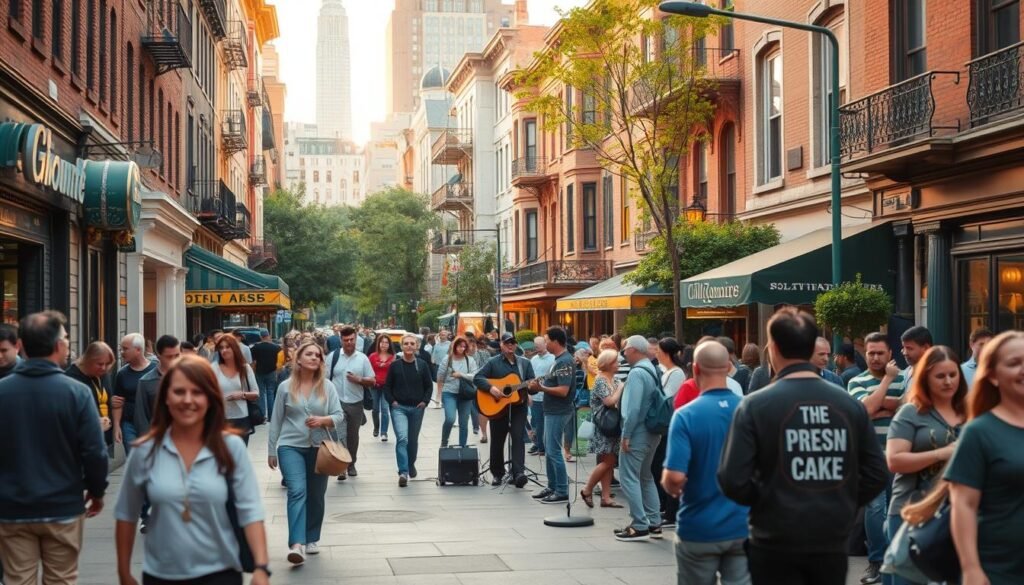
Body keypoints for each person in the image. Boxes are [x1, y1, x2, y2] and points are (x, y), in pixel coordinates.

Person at [718, 308, 887, 585]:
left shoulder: (754, 405)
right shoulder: (848, 405)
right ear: (811, 348)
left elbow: (732, 478)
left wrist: (768, 502)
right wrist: (843, 500)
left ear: (772, 348)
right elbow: (876, 473)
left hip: (773, 538)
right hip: (830, 537)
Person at [114, 356, 270, 585]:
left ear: (210, 398)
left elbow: (251, 510)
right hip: (162, 574)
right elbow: (126, 514)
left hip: (221, 572)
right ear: (166, 397)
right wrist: (124, 572)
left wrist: (261, 568)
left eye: (197, 392)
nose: (188, 400)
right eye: (179, 392)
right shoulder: (144, 452)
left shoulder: (230, 447)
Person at [0, 311, 107, 585]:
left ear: (21, 345)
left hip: (11, 507)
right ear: (59, 346)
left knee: (18, 579)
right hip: (62, 505)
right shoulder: (77, 393)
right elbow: (94, 451)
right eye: (67, 339)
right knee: (61, 579)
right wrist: (96, 491)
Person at [662, 341, 750, 585]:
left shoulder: (686, 415)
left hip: (699, 526)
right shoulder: (750, 411)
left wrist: (669, 484)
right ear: (729, 367)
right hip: (744, 525)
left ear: (695, 368)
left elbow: (675, 478)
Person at [944, 331, 1024, 585]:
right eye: (1014, 363)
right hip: (998, 569)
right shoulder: (979, 432)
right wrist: (971, 569)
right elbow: (963, 504)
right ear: (991, 375)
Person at [884, 346, 966, 585]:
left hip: (958, 512)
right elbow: (895, 460)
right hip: (910, 510)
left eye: (953, 374)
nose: (948, 381)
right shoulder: (910, 412)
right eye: (940, 376)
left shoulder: (970, 411)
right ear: (925, 378)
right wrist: (942, 453)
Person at [268, 341, 346, 565]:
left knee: (316, 495)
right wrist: (272, 449)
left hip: (319, 449)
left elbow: (339, 415)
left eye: (318, 355)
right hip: (290, 446)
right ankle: (296, 544)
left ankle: (312, 537)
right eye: (309, 354)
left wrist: (323, 420)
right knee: (297, 491)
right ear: (298, 359)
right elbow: (276, 420)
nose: (314, 358)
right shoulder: (285, 387)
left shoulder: (327, 386)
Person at [847, 332, 908, 584]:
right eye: (870, 352)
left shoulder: (906, 378)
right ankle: (877, 561)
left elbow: (910, 406)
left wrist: (878, 406)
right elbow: (865, 410)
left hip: (900, 454)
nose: (874, 357)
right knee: (874, 509)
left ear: (890, 354)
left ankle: (896, 560)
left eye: (880, 353)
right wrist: (887, 388)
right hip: (869, 457)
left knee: (900, 509)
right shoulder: (855, 380)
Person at [611, 335, 664, 541]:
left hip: (638, 432)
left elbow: (632, 409)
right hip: (652, 432)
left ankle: (639, 524)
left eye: (625, 349)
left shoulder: (637, 374)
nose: (623, 353)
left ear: (633, 349)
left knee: (628, 476)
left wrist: (626, 434)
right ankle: (654, 522)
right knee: (645, 476)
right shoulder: (653, 369)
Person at [474, 333, 535, 487]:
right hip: (497, 407)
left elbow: (532, 387)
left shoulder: (524, 364)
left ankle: (518, 472)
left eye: (513, 342)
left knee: (518, 436)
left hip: (518, 406)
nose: (510, 345)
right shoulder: (492, 362)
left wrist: (533, 387)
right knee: (497, 440)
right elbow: (477, 378)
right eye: (507, 342)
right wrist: (491, 388)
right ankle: (497, 473)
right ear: (501, 344)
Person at [528, 326, 576, 505]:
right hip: (552, 410)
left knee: (554, 450)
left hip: (559, 410)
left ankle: (562, 490)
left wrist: (542, 388)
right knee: (549, 449)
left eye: (547, 340)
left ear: (556, 341)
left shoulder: (564, 361)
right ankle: (552, 485)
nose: (545, 343)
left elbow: (563, 390)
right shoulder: (559, 360)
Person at [383, 334, 433, 487]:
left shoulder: (422, 365)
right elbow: (387, 386)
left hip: (417, 408)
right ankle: (403, 472)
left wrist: (425, 401)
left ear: (417, 346)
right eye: (406, 343)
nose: (409, 346)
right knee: (402, 438)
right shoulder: (395, 365)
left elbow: (429, 385)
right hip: (400, 408)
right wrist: (393, 402)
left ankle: (411, 464)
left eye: (412, 343)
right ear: (402, 346)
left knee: (413, 441)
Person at [326, 326, 374, 480]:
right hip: (337, 403)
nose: (349, 343)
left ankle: (351, 463)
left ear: (356, 339)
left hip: (356, 402)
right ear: (341, 340)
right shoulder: (332, 357)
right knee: (340, 435)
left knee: (353, 436)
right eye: (346, 340)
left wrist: (359, 380)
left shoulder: (362, 358)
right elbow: (325, 380)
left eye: (351, 339)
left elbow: (372, 380)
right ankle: (342, 466)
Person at [580, 349, 624, 509]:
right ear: (608, 364)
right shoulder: (601, 380)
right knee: (608, 461)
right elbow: (609, 402)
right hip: (604, 426)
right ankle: (587, 489)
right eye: (615, 361)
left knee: (609, 461)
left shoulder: (615, 379)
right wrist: (620, 388)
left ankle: (605, 497)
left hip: (613, 425)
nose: (618, 363)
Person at [653, 337, 686, 528]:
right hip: (664, 426)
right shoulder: (665, 371)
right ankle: (665, 506)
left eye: (658, 350)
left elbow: (667, 399)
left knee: (663, 465)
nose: (656, 353)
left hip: (670, 425)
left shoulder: (676, 373)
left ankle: (671, 510)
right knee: (657, 465)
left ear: (665, 353)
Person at [65, 341, 116, 448]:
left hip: (104, 440)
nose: (104, 368)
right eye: (100, 364)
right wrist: (94, 425)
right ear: (88, 360)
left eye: (107, 364)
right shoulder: (71, 378)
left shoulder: (103, 374)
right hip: (83, 443)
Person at [113, 333, 157, 455]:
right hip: (129, 424)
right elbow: (118, 402)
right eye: (121, 349)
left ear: (138, 350)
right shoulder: (122, 374)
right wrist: (117, 426)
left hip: (151, 423)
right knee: (133, 458)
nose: (121, 352)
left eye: (125, 349)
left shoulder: (156, 370)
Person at [214, 334, 260, 445]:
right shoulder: (213, 369)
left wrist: (241, 395)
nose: (224, 350)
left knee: (238, 456)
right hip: (220, 418)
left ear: (234, 348)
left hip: (241, 419)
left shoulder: (245, 368)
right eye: (221, 348)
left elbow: (256, 393)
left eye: (227, 347)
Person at [134, 335, 182, 437]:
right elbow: (141, 418)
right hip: (158, 439)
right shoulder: (146, 382)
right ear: (158, 355)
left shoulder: (191, 377)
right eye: (169, 357)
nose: (174, 360)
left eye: (177, 356)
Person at [437, 336, 477, 449]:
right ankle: (444, 441)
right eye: (460, 346)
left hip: (465, 394)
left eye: (464, 346)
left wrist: (461, 375)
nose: (462, 349)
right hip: (449, 392)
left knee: (464, 422)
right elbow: (440, 377)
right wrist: (439, 396)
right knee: (450, 419)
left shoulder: (470, 360)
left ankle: (463, 446)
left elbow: (475, 376)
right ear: (454, 346)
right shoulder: (447, 359)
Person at [528, 337, 554, 456]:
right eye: (535, 345)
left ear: (545, 344)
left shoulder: (553, 359)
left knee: (546, 423)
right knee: (536, 422)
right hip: (536, 396)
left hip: (547, 395)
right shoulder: (533, 359)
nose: (537, 348)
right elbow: (530, 377)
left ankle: (544, 446)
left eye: (539, 345)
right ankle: (538, 444)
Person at [368, 333, 395, 442]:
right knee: (375, 409)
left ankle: (384, 432)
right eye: (382, 342)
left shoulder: (393, 357)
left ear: (389, 344)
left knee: (385, 409)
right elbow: (368, 370)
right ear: (378, 344)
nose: (384, 344)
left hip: (387, 387)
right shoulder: (372, 356)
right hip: (374, 386)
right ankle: (376, 427)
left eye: (386, 342)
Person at [250, 329, 282, 421]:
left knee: (261, 393)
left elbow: (253, 362)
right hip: (272, 372)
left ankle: (263, 415)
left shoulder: (255, 347)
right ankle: (271, 416)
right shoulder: (276, 347)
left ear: (260, 336)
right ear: (269, 335)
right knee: (270, 393)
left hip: (259, 372)